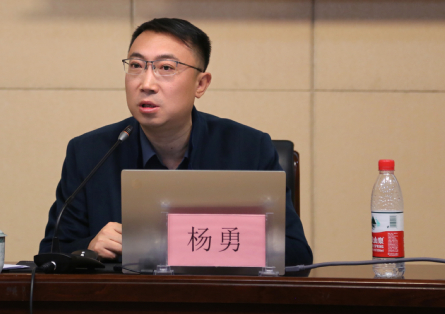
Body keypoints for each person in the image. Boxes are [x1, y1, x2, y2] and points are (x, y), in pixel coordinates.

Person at [39, 18, 313, 266]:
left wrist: (195, 242)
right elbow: (51, 253)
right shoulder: (90, 153)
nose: (146, 83)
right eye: (136, 66)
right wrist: (89, 247)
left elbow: (296, 254)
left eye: (166, 68)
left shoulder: (248, 149)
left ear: (201, 84)